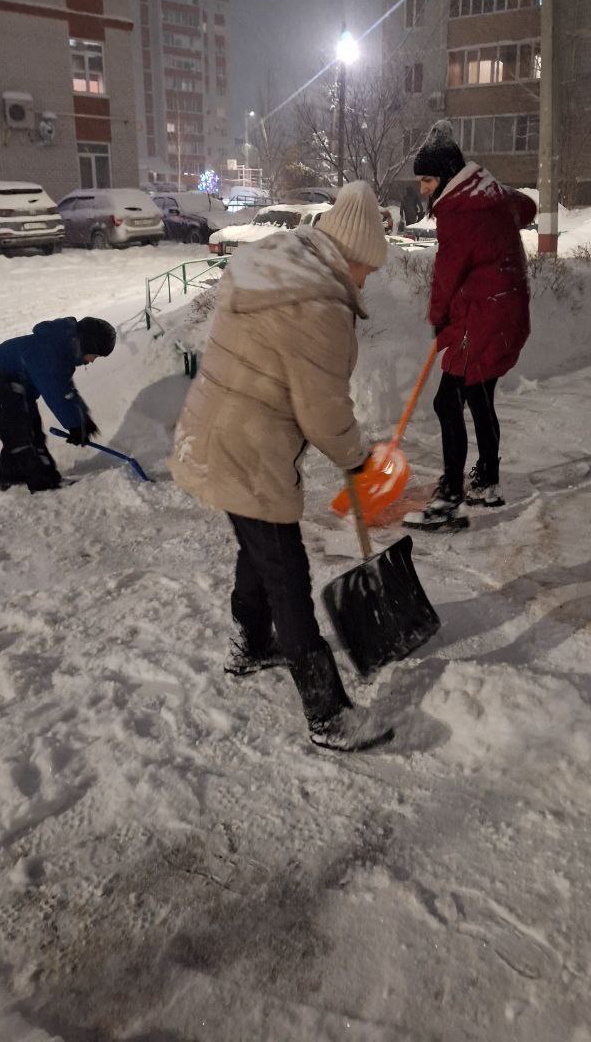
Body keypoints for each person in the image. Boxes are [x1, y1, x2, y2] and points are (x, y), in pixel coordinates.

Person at [169, 180, 394, 753]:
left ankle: (250, 643)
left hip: (217, 430)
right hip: (248, 447)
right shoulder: (318, 304)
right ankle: (327, 712)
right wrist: (357, 459)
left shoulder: (280, 264)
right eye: (368, 268)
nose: (367, 280)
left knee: (258, 545)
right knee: (287, 573)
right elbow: (323, 411)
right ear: (353, 254)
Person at [404, 121, 536, 531]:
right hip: (505, 312)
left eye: (427, 180)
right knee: (478, 396)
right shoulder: (489, 196)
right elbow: (526, 208)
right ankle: (488, 482)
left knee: (446, 403)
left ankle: (449, 502)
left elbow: (446, 275)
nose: (423, 189)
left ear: (446, 176)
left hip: (482, 319)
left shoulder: (458, 212)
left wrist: (438, 319)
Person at [0, 317, 116, 493]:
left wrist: (83, 419)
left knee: (31, 431)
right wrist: (75, 424)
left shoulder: (61, 350)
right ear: (88, 344)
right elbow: (57, 394)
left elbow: (66, 391)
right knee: (21, 436)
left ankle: (13, 477)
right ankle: (43, 484)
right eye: (95, 355)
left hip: (12, 383)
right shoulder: (51, 352)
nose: (92, 360)